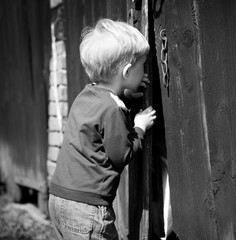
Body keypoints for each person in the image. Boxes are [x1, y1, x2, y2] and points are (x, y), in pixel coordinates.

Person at [48, 19, 156, 240]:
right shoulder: (112, 108)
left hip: (59, 198)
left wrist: (125, 96)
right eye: (142, 65)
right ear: (127, 71)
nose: (144, 71)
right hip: (86, 208)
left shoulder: (86, 95)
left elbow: (101, 121)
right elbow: (121, 155)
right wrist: (139, 127)